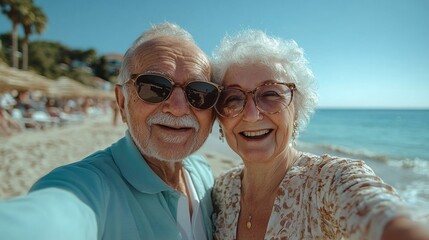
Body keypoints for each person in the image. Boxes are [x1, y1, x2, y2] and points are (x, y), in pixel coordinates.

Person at [0, 22, 222, 240]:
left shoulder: (202, 172)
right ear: (122, 101)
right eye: (154, 87)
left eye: (199, 92)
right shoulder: (91, 186)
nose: (178, 107)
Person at [211, 30, 429, 240]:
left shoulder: (331, 181)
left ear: (297, 108)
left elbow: (382, 216)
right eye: (233, 98)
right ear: (220, 117)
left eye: (270, 94)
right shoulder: (220, 191)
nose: (251, 115)